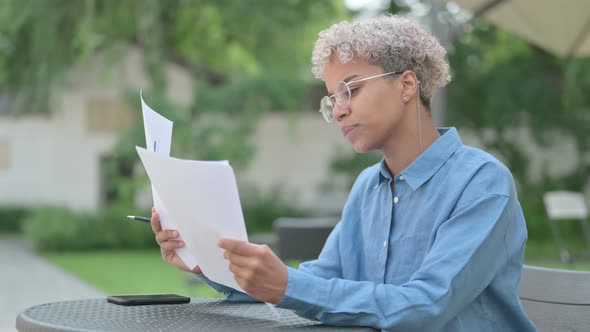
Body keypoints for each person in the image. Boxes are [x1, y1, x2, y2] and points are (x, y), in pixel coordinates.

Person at [151, 14, 536, 331]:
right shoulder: (369, 187)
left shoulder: (482, 183)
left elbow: (426, 305)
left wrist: (287, 284)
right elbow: (319, 281)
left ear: (406, 84)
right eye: (333, 98)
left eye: (351, 90)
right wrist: (212, 265)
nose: (338, 111)